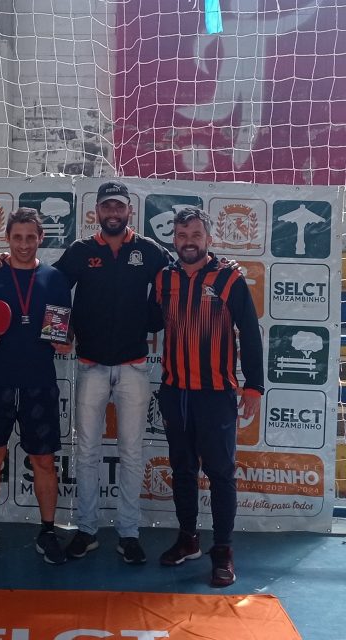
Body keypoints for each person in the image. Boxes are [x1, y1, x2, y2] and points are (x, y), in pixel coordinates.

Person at [53, 181, 172, 564]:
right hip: (90, 365)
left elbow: (177, 280)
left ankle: (129, 533)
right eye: (107, 207)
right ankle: (87, 530)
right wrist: (61, 331)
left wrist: (153, 320)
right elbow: (52, 287)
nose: (113, 213)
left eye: (119, 206)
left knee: (131, 452)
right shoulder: (81, 250)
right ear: (97, 212)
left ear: (129, 211)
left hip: (134, 366)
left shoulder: (149, 250)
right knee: (86, 452)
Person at [151, 206, 263, 587]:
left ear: (209, 239)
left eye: (195, 235)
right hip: (176, 392)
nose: (188, 242)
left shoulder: (229, 277)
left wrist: (254, 385)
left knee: (220, 474)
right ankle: (188, 539)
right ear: (174, 239)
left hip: (216, 395)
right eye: (182, 236)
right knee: (182, 469)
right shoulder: (164, 278)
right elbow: (148, 321)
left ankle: (223, 550)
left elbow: (250, 332)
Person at [0, 207, 72, 565]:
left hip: (40, 381)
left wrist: (65, 342)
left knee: (44, 460)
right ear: (7, 238)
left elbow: (63, 332)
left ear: (41, 238)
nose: (24, 244)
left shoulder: (55, 279)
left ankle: (48, 531)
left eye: (30, 237)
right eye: (17, 237)